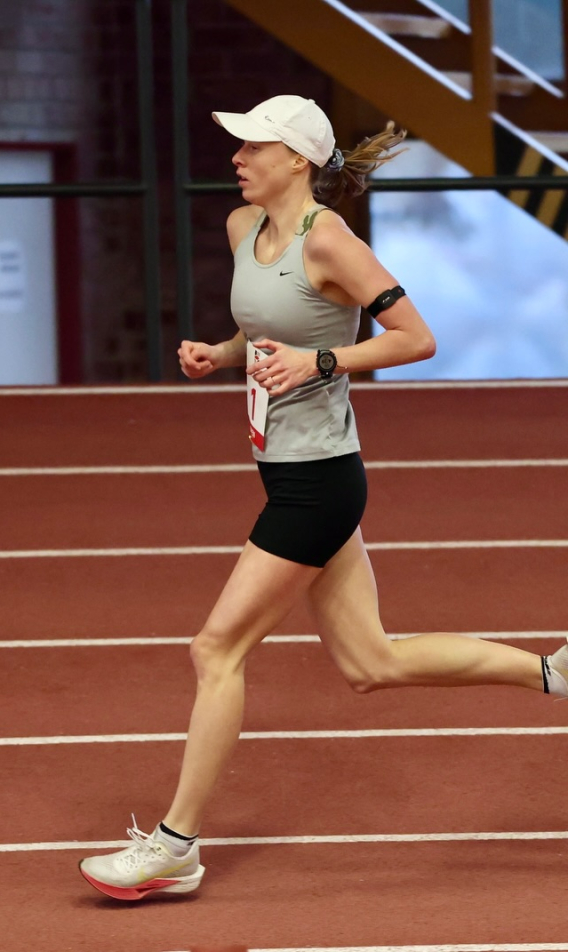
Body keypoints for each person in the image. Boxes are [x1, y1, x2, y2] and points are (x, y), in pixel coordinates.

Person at [77, 94, 568, 901]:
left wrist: (323, 363)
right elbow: (269, 325)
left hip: (318, 484)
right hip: (288, 471)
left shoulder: (329, 240)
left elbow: (416, 338)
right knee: (372, 662)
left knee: (215, 650)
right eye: (237, 144)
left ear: (296, 160)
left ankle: (175, 846)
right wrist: (222, 353)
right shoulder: (244, 229)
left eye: (252, 146)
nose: (236, 157)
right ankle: (551, 672)